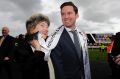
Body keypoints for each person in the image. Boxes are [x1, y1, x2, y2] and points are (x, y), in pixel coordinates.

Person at [46, 1, 91, 79]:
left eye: (69, 13)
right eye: (63, 14)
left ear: (77, 15)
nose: (65, 17)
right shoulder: (55, 38)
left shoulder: (82, 34)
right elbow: (58, 70)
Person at [13, 13, 50, 79]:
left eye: (47, 27)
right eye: (42, 25)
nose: (47, 29)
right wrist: (38, 50)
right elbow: (27, 73)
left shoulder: (47, 46)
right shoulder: (20, 48)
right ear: (31, 29)